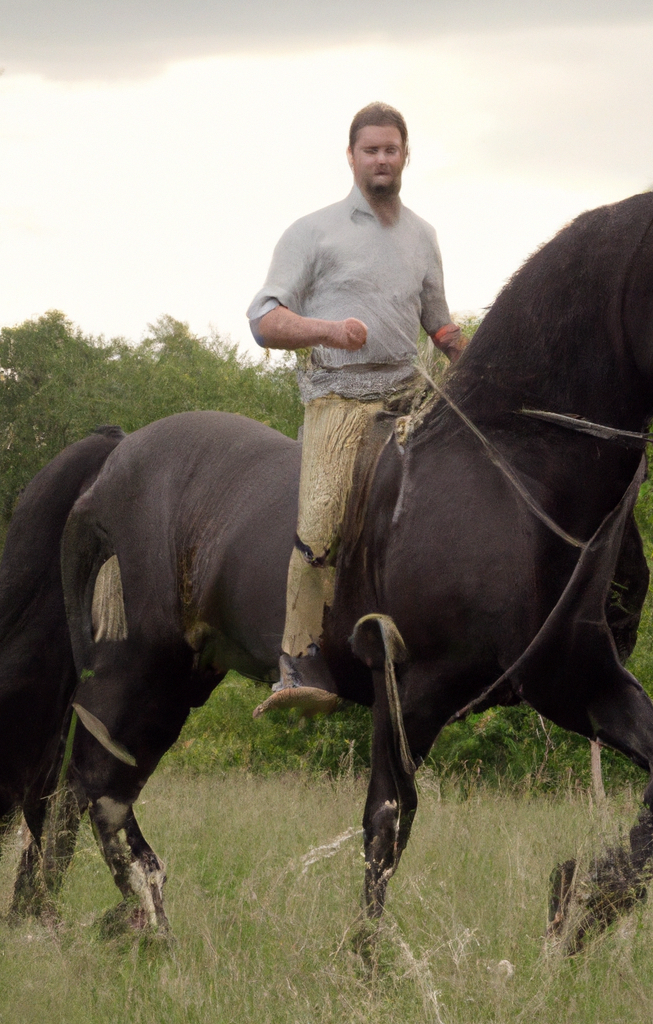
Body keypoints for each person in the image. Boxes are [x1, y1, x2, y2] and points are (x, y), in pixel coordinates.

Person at [247, 101, 464, 713]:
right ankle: (296, 660)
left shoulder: (424, 235)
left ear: (405, 155)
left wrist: (469, 357)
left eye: (390, 149)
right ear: (351, 156)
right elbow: (263, 321)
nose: (381, 159)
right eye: (370, 149)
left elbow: (438, 323)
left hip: (410, 391)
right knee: (320, 516)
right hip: (340, 398)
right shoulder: (313, 232)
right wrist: (326, 331)